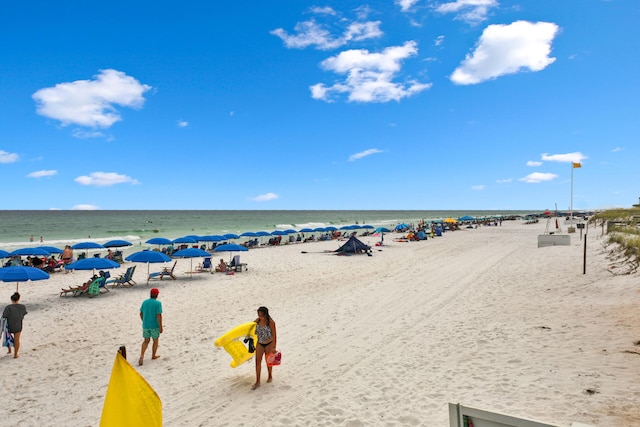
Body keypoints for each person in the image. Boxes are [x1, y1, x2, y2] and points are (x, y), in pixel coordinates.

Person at [252, 306, 277, 390]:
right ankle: (257, 381)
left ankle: (270, 375)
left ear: (266, 314)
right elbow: (250, 327)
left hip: (269, 343)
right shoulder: (257, 320)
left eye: (262, 315)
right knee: (257, 362)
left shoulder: (270, 322)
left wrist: (274, 347)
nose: (260, 316)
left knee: (269, 361)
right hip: (260, 343)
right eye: (259, 314)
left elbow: (274, 335)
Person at [139, 288, 163, 366]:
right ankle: (153, 355)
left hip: (146, 325)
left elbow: (141, 314)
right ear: (157, 295)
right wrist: (161, 326)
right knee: (155, 341)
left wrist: (144, 321)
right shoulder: (158, 303)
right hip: (154, 325)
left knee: (146, 341)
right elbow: (159, 315)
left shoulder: (145, 302)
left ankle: (142, 355)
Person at [2, 293, 27, 359]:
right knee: (17, 339)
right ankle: (15, 354)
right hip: (18, 324)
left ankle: (9, 350)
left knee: (7, 337)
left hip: (9, 324)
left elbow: (4, 316)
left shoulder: (8, 307)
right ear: (19, 299)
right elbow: (24, 314)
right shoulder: (22, 306)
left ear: (11, 299)